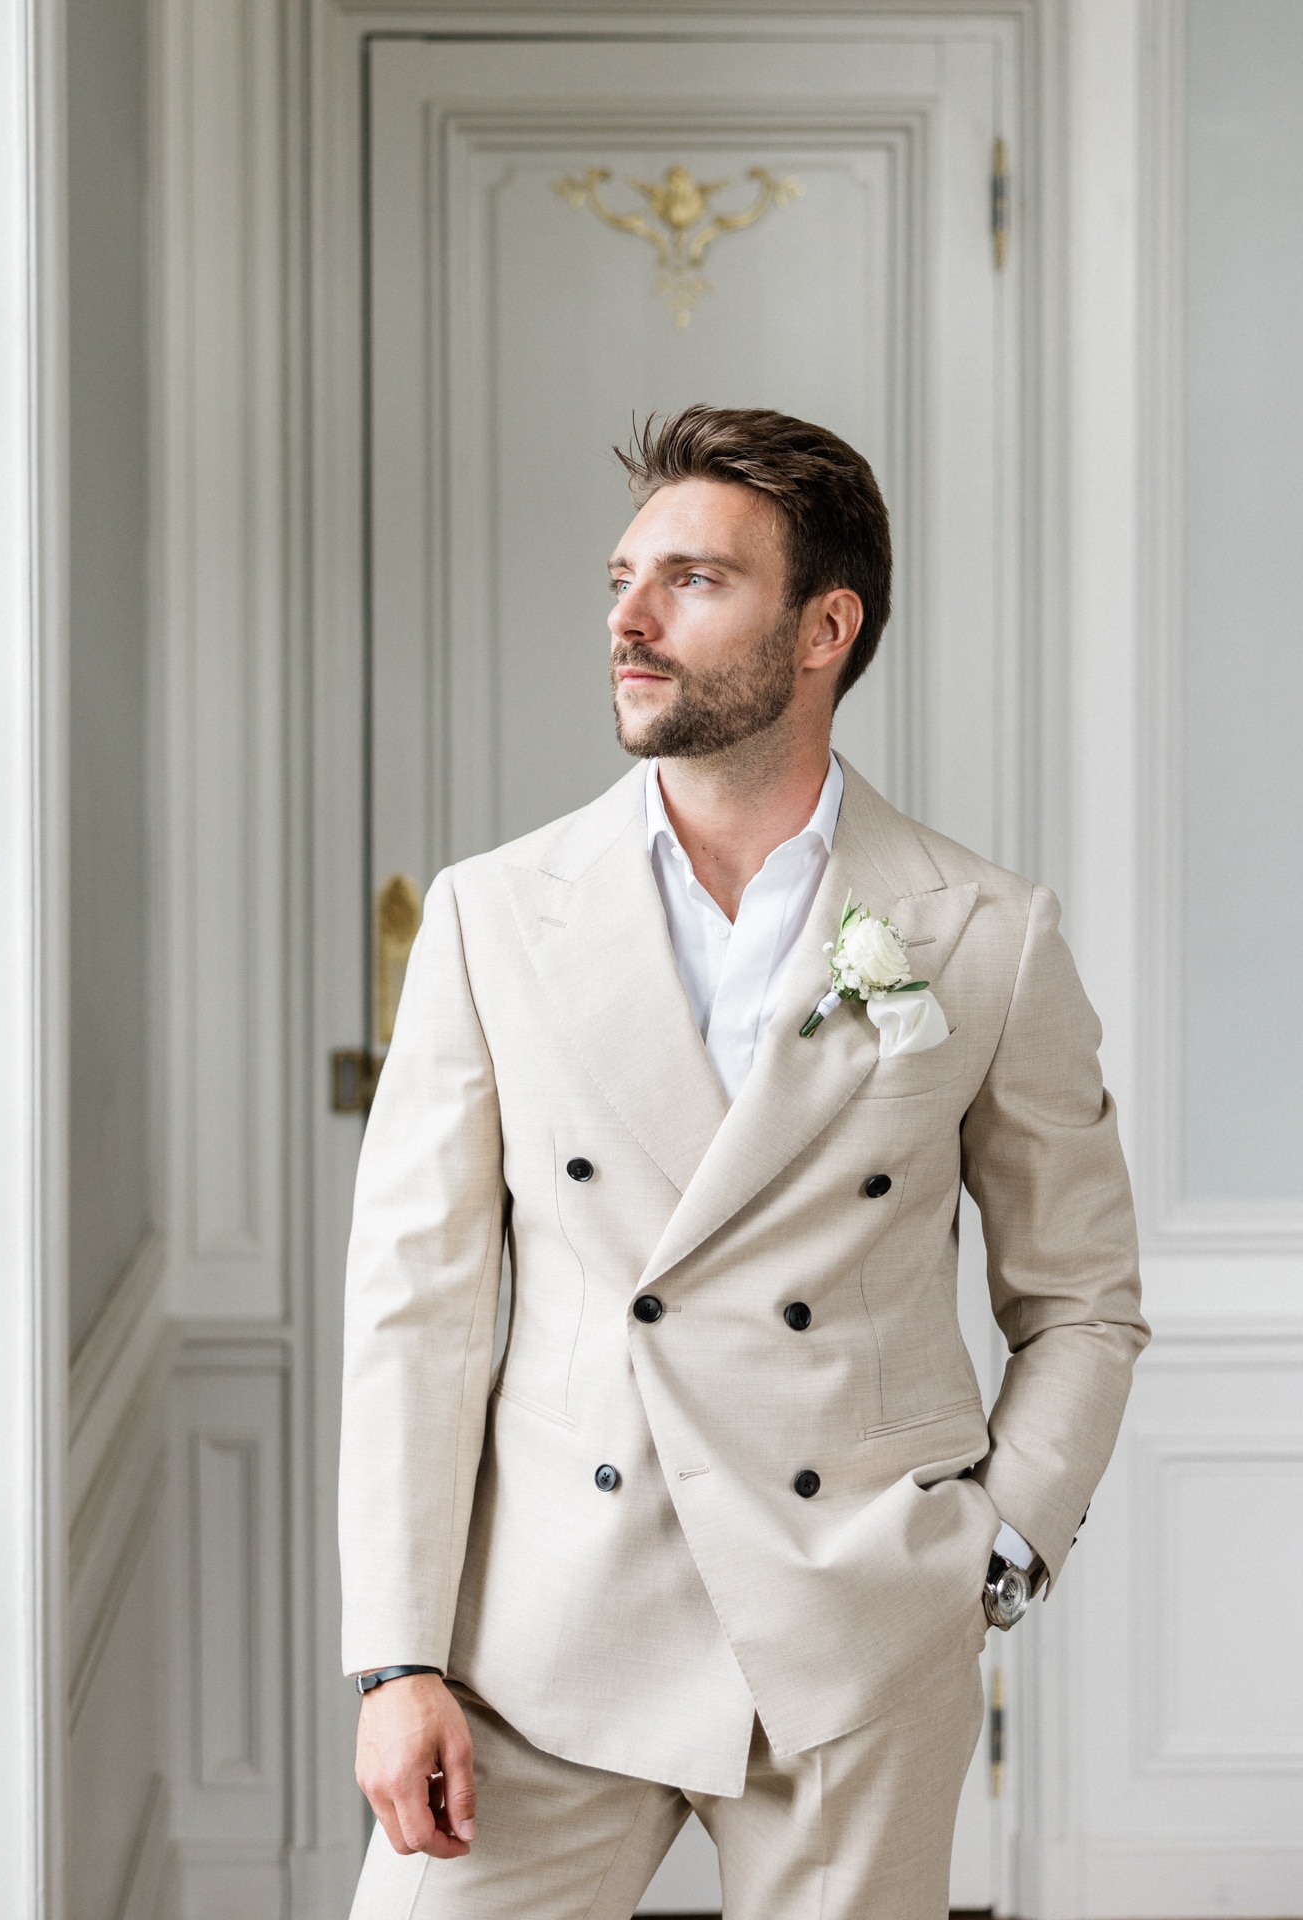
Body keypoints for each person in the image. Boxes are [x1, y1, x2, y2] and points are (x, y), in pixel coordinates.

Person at [338, 406, 1148, 1920]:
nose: (627, 625)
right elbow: (416, 1312)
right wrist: (397, 1656)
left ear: (824, 628)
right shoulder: (492, 914)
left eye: (694, 583)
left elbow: (1085, 1296)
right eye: (622, 579)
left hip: (855, 1637)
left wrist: (991, 1550)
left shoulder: (983, 930)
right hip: (550, 1638)